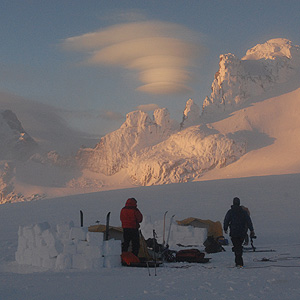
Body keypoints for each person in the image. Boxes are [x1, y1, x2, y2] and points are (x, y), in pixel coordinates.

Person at [223, 197, 255, 267]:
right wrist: (251, 230)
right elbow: (249, 221)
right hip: (242, 232)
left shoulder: (230, 212)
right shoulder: (244, 212)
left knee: (237, 246)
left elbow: (226, 220)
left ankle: (239, 262)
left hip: (233, 232)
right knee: (238, 246)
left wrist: (225, 228)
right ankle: (239, 261)